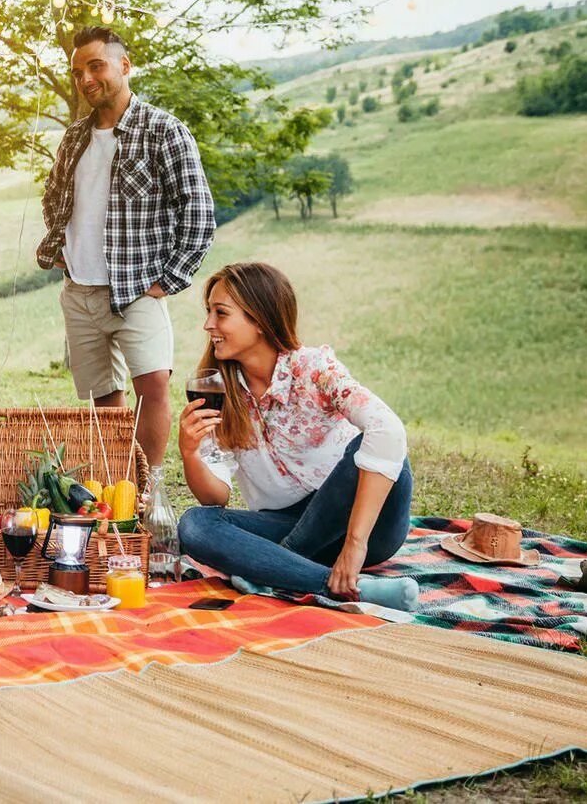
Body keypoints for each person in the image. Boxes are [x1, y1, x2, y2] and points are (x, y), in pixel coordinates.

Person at [175, 262, 419, 612]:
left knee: (367, 444)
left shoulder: (315, 369)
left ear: (258, 320)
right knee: (195, 525)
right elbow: (217, 496)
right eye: (208, 312)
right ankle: (344, 587)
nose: (208, 324)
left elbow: (389, 429)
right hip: (284, 524)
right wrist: (190, 453)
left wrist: (354, 544)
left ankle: (278, 565)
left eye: (220, 313)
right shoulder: (220, 391)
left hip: (363, 525)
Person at [35, 25, 216, 483]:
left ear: (124, 66)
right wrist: (58, 244)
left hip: (137, 289)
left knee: (153, 386)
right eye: (78, 72)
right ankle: (117, 487)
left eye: (96, 66)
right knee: (103, 397)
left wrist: (169, 280)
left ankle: (148, 489)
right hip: (79, 292)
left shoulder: (164, 130)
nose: (87, 79)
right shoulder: (74, 137)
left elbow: (197, 212)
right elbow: (52, 195)